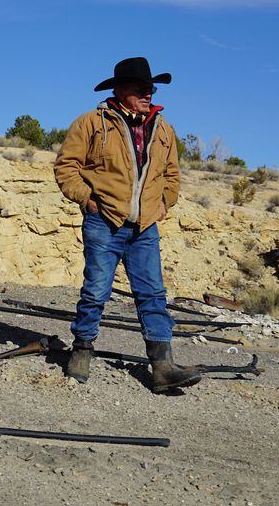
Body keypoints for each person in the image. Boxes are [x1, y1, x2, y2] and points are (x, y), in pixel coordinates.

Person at [53, 57, 200, 393]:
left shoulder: (163, 129)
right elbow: (66, 167)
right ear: (120, 90)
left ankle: (162, 367)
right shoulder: (91, 123)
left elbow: (172, 174)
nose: (148, 93)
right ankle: (82, 350)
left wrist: (165, 203)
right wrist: (87, 200)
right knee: (96, 291)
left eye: (150, 88)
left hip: (145, 226)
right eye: (140, 88)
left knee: (153, 296)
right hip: (104, 221)